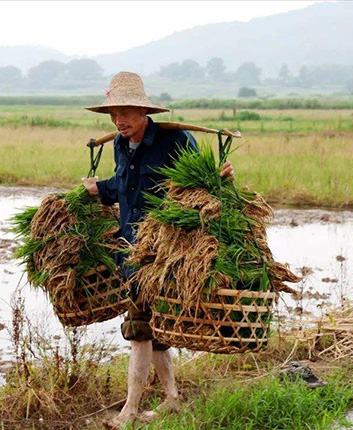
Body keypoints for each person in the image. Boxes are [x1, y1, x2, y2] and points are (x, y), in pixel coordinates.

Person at [81, 72, 234, 429]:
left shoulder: (174, 140)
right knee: (155, 332)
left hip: (166, 253)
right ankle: (172, 399)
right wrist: (97, 189)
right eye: (115, 113)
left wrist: (222, 174)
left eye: (128, 112)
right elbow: (122, 186)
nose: (120, 120)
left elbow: (202, 182)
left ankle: (129, 411)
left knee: (139, 331)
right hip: (132, 253)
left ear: (144, 111)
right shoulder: (120, 144)